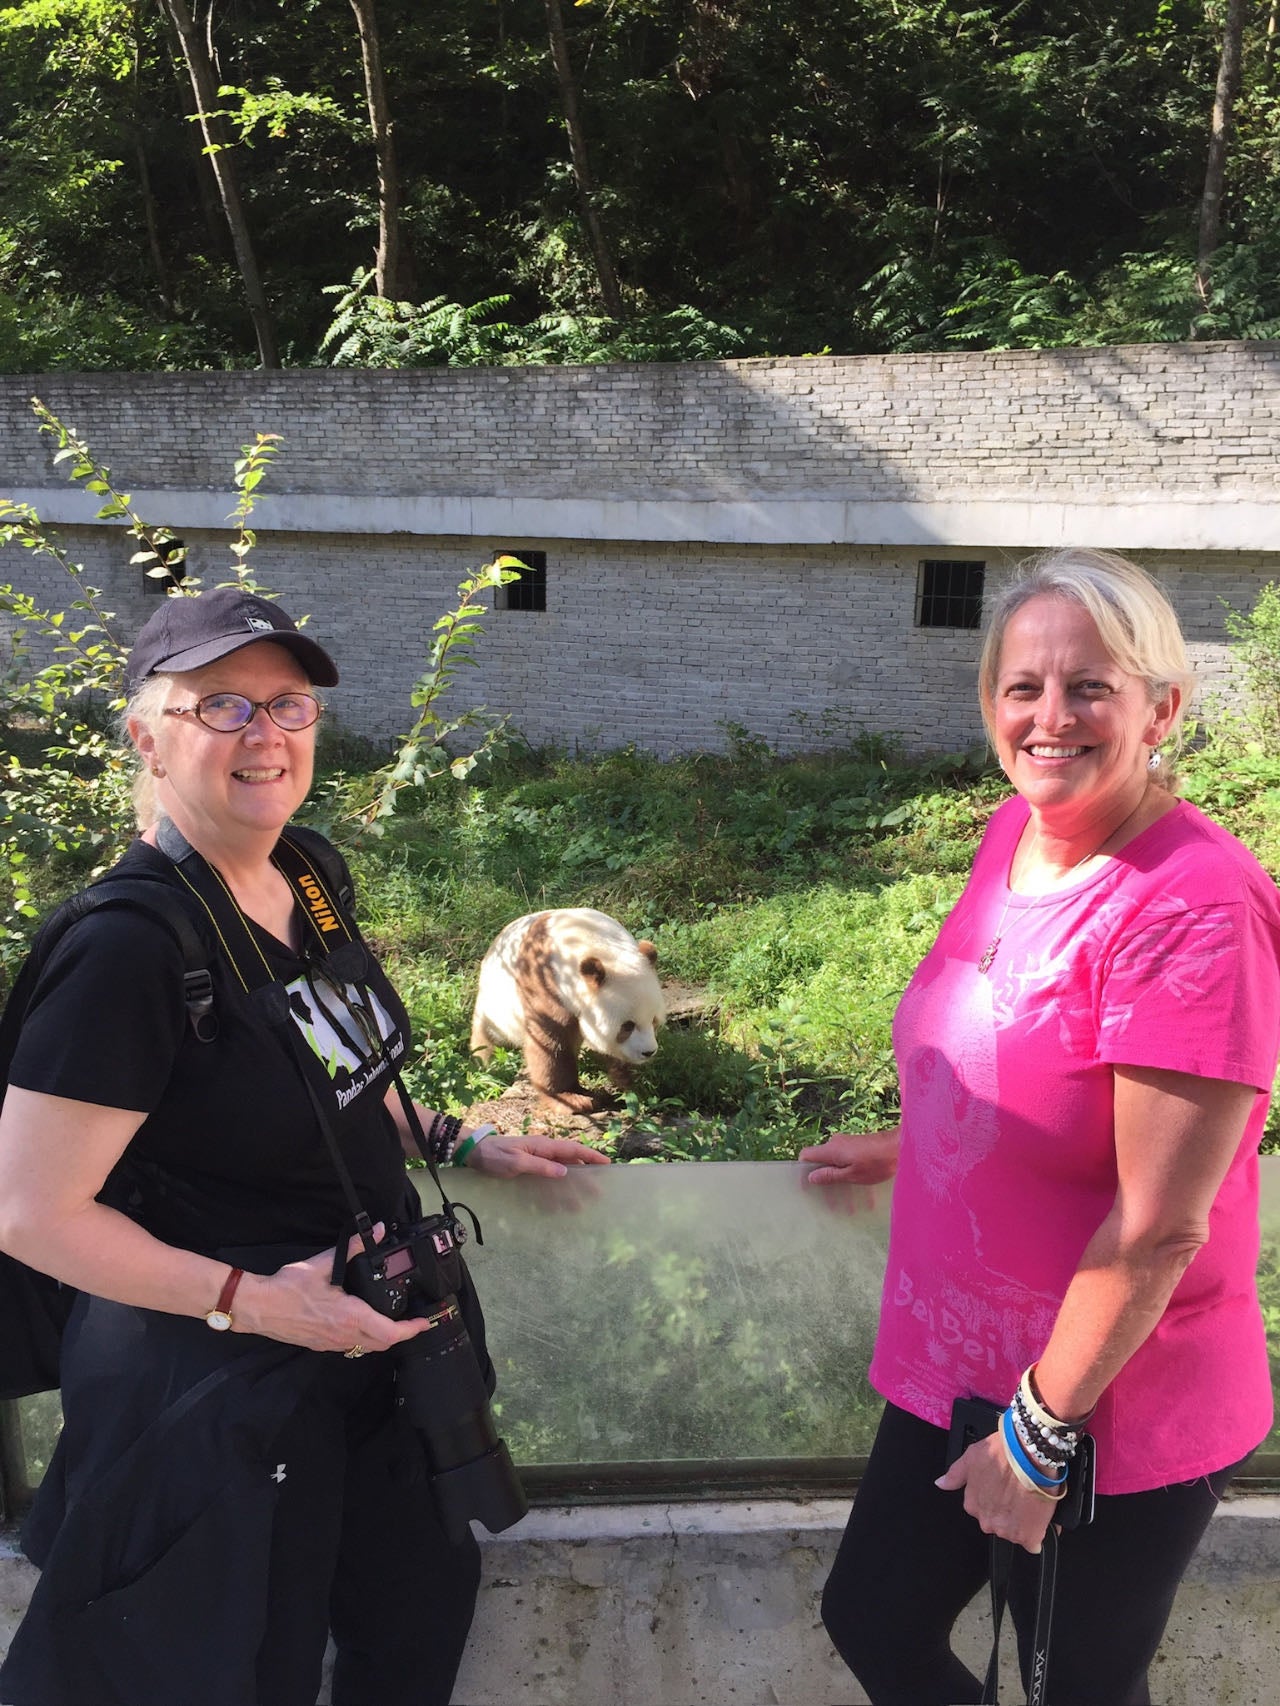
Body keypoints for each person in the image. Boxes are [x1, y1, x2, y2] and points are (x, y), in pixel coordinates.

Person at [0, 587, 608, 1706]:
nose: (263, 733)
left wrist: (462, 1141)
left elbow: (332, 1065)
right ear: (147, 734)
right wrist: (262, 1300)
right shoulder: (129, 948)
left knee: (410, 1631)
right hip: (214, 1389)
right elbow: (33, 1212)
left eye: (289, 705)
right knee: (236, 1669)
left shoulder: (309, 876)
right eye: (220, 704)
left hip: (369, 1356)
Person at [801, 549, 1280, 1706]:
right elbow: (1018, 1052)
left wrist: (1035, 1439)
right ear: (987, 701)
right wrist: (925, 1140)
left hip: (1097, 1398)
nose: (1047, 716)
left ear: (1160, 707)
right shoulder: (1012, 838)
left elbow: (1159, 1223)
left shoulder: (1190, 909)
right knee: (871, 1616)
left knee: (1071, 1685)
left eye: (1088, 687)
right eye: (1022, 685)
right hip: (953, 1361)